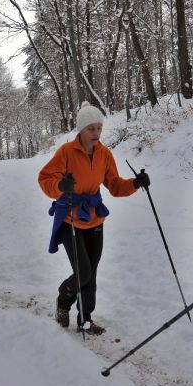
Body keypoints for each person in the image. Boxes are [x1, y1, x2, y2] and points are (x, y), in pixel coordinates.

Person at [38, 103, 150, 335]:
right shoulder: (66, 152)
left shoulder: (105, 154)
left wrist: (135, 183)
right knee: (83, 273)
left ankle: (85, 319)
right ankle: (63, 300)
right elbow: (45, 178)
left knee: (92, 274)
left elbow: (115, 185)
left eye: (99, 128)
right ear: (80, 130)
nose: (96, 134)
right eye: (91, 129)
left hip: (94, 219)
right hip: (70, 219)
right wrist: (61, 185)